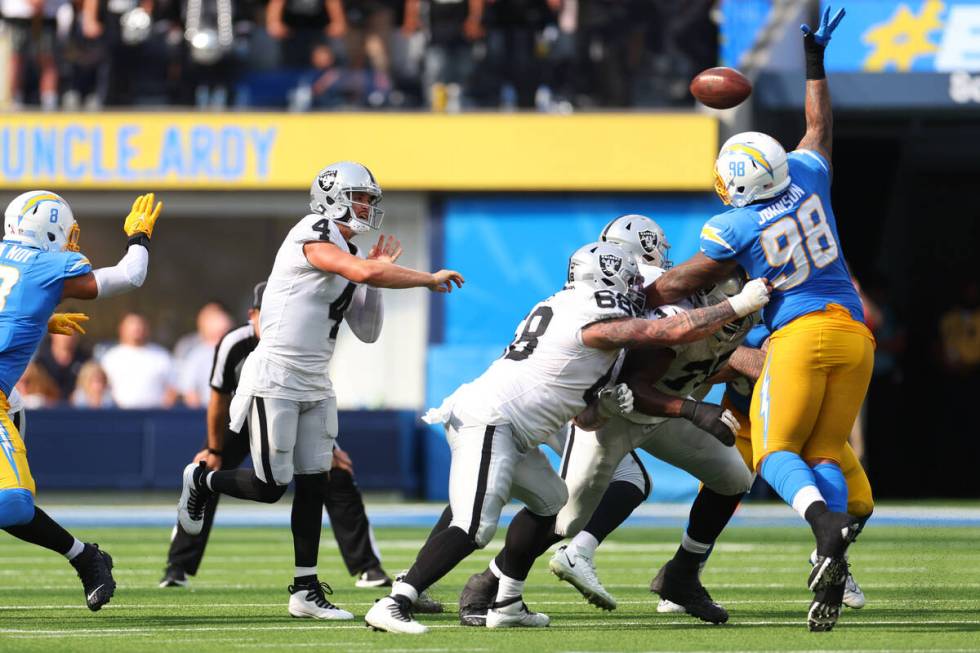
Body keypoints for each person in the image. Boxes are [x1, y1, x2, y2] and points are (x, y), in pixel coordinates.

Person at [364, 240, 771, 634]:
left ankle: (507, 603)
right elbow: (663, 332)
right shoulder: (592, 311)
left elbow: (587, 416)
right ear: (609, 279)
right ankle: (396, 600)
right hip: (492, 420)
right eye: (631, 279)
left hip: (514, 427)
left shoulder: (567, 307)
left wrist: (611, 404)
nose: (639, 288)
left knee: (551, 503)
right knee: (475, 525)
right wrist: (736, 306)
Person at [647, 6, 869, 632]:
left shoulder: (736, 224)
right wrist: (815, 64)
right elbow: (818, 127)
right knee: (827, 449)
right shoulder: (804, 175)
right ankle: (838, 544)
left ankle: (824, 525)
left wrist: (635, 284)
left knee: (772, 454)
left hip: (797, 336)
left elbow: (679, 283)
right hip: (855, 333)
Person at [175, 161, 464, 621]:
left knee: (316, 482)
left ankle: (305, 590)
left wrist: (376, 278)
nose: (368, 206)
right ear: (335, 197)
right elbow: (359, 271)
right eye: (362, 197)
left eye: (370, 199)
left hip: (315, 380)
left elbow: (367, 330)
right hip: (276, 376)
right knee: (273, 486)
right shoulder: (312, 230)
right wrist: (423, 278)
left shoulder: (350, 253)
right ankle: (203, 480)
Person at [456, 215, 756, 626]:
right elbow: (653, 353)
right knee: (563, 517)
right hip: (613, 410)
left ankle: (682, 576)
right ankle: (488, 586)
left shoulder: (672, 292)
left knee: (732, 478)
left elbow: (700, 361)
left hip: (658, 407)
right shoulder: (660, 292)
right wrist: (696, 405)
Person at [161, 282, 441, 612]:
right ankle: (177, 566)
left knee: (331, 473)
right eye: (265, 315)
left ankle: (366, 565)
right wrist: (214, 448)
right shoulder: (235, 343)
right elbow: (219, 397)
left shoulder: (303, 338)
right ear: (252, 315)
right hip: (242, 417)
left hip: (290, 411)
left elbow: (311, 396)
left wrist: (330, 445)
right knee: (215, 473)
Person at [0, 190, 162, 611]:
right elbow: (131, 275)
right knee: (10, 504)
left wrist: (39, 316)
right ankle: (86, 557)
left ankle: (86, 558)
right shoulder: (45, 266)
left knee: (12, 504)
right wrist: (139, 237)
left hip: (5, 398)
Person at [100, 312, 178, 408]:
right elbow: (100, 387)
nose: (137, 328)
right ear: (121, 329)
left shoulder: (162, 355)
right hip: (119, 416)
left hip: (155, 415)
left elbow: (174, 385)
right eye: (132, 324)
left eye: (140, 324)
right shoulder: (110, 358)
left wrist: (165, 409)